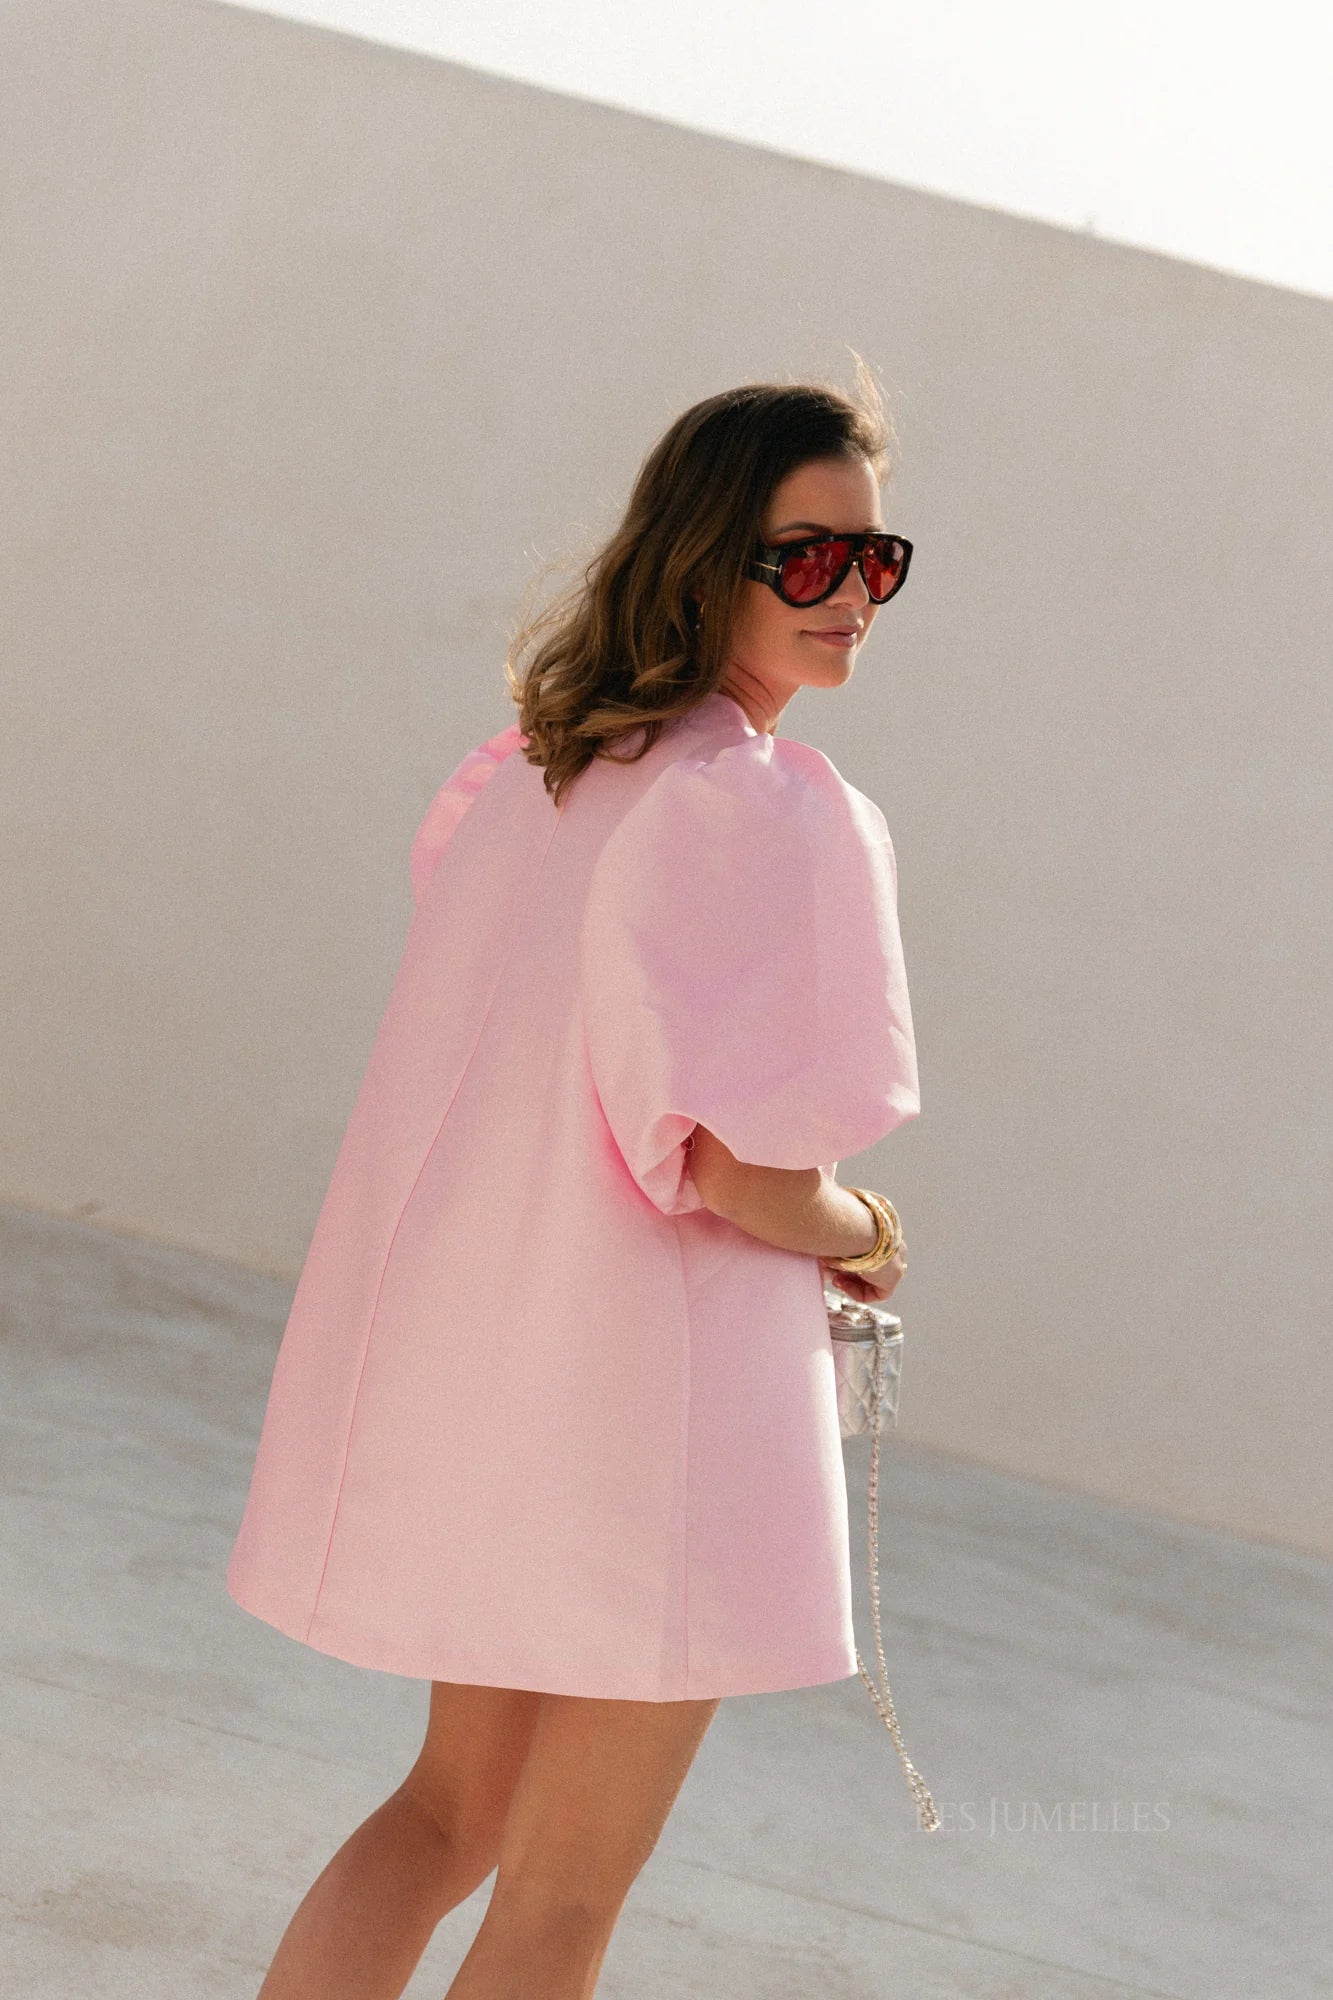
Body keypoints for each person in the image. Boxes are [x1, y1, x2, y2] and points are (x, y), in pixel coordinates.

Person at [227, 361, 920, 2000]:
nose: (847, 594)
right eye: (805, 557)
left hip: (498, 1374)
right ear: (705, 558)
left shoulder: (540, 774)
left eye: (875, 559)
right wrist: (871, 1234)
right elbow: (748, 1179)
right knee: (562, 1898)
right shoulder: (764, 807)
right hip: (653, 1421)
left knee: (442, 1814)